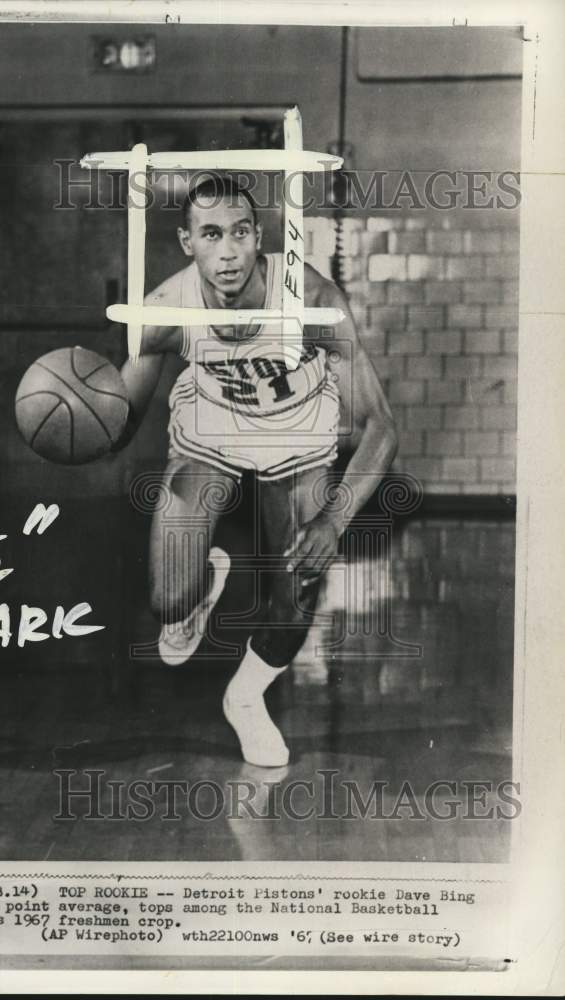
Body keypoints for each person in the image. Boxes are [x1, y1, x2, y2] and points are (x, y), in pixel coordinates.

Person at [114, 175, 397, 767]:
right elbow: (118, 419)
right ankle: (191, 599)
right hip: (209, 436)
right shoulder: (167, 308)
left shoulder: (314, 301)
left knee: (295, 593)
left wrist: (334, 522)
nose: (228, 251)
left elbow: (381, 427)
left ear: (258, 236)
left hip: (297, 439)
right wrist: (80, 415)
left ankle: (244, 698)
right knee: (166, 602)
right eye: (210, 234)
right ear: (186, 241)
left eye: (240, 232)